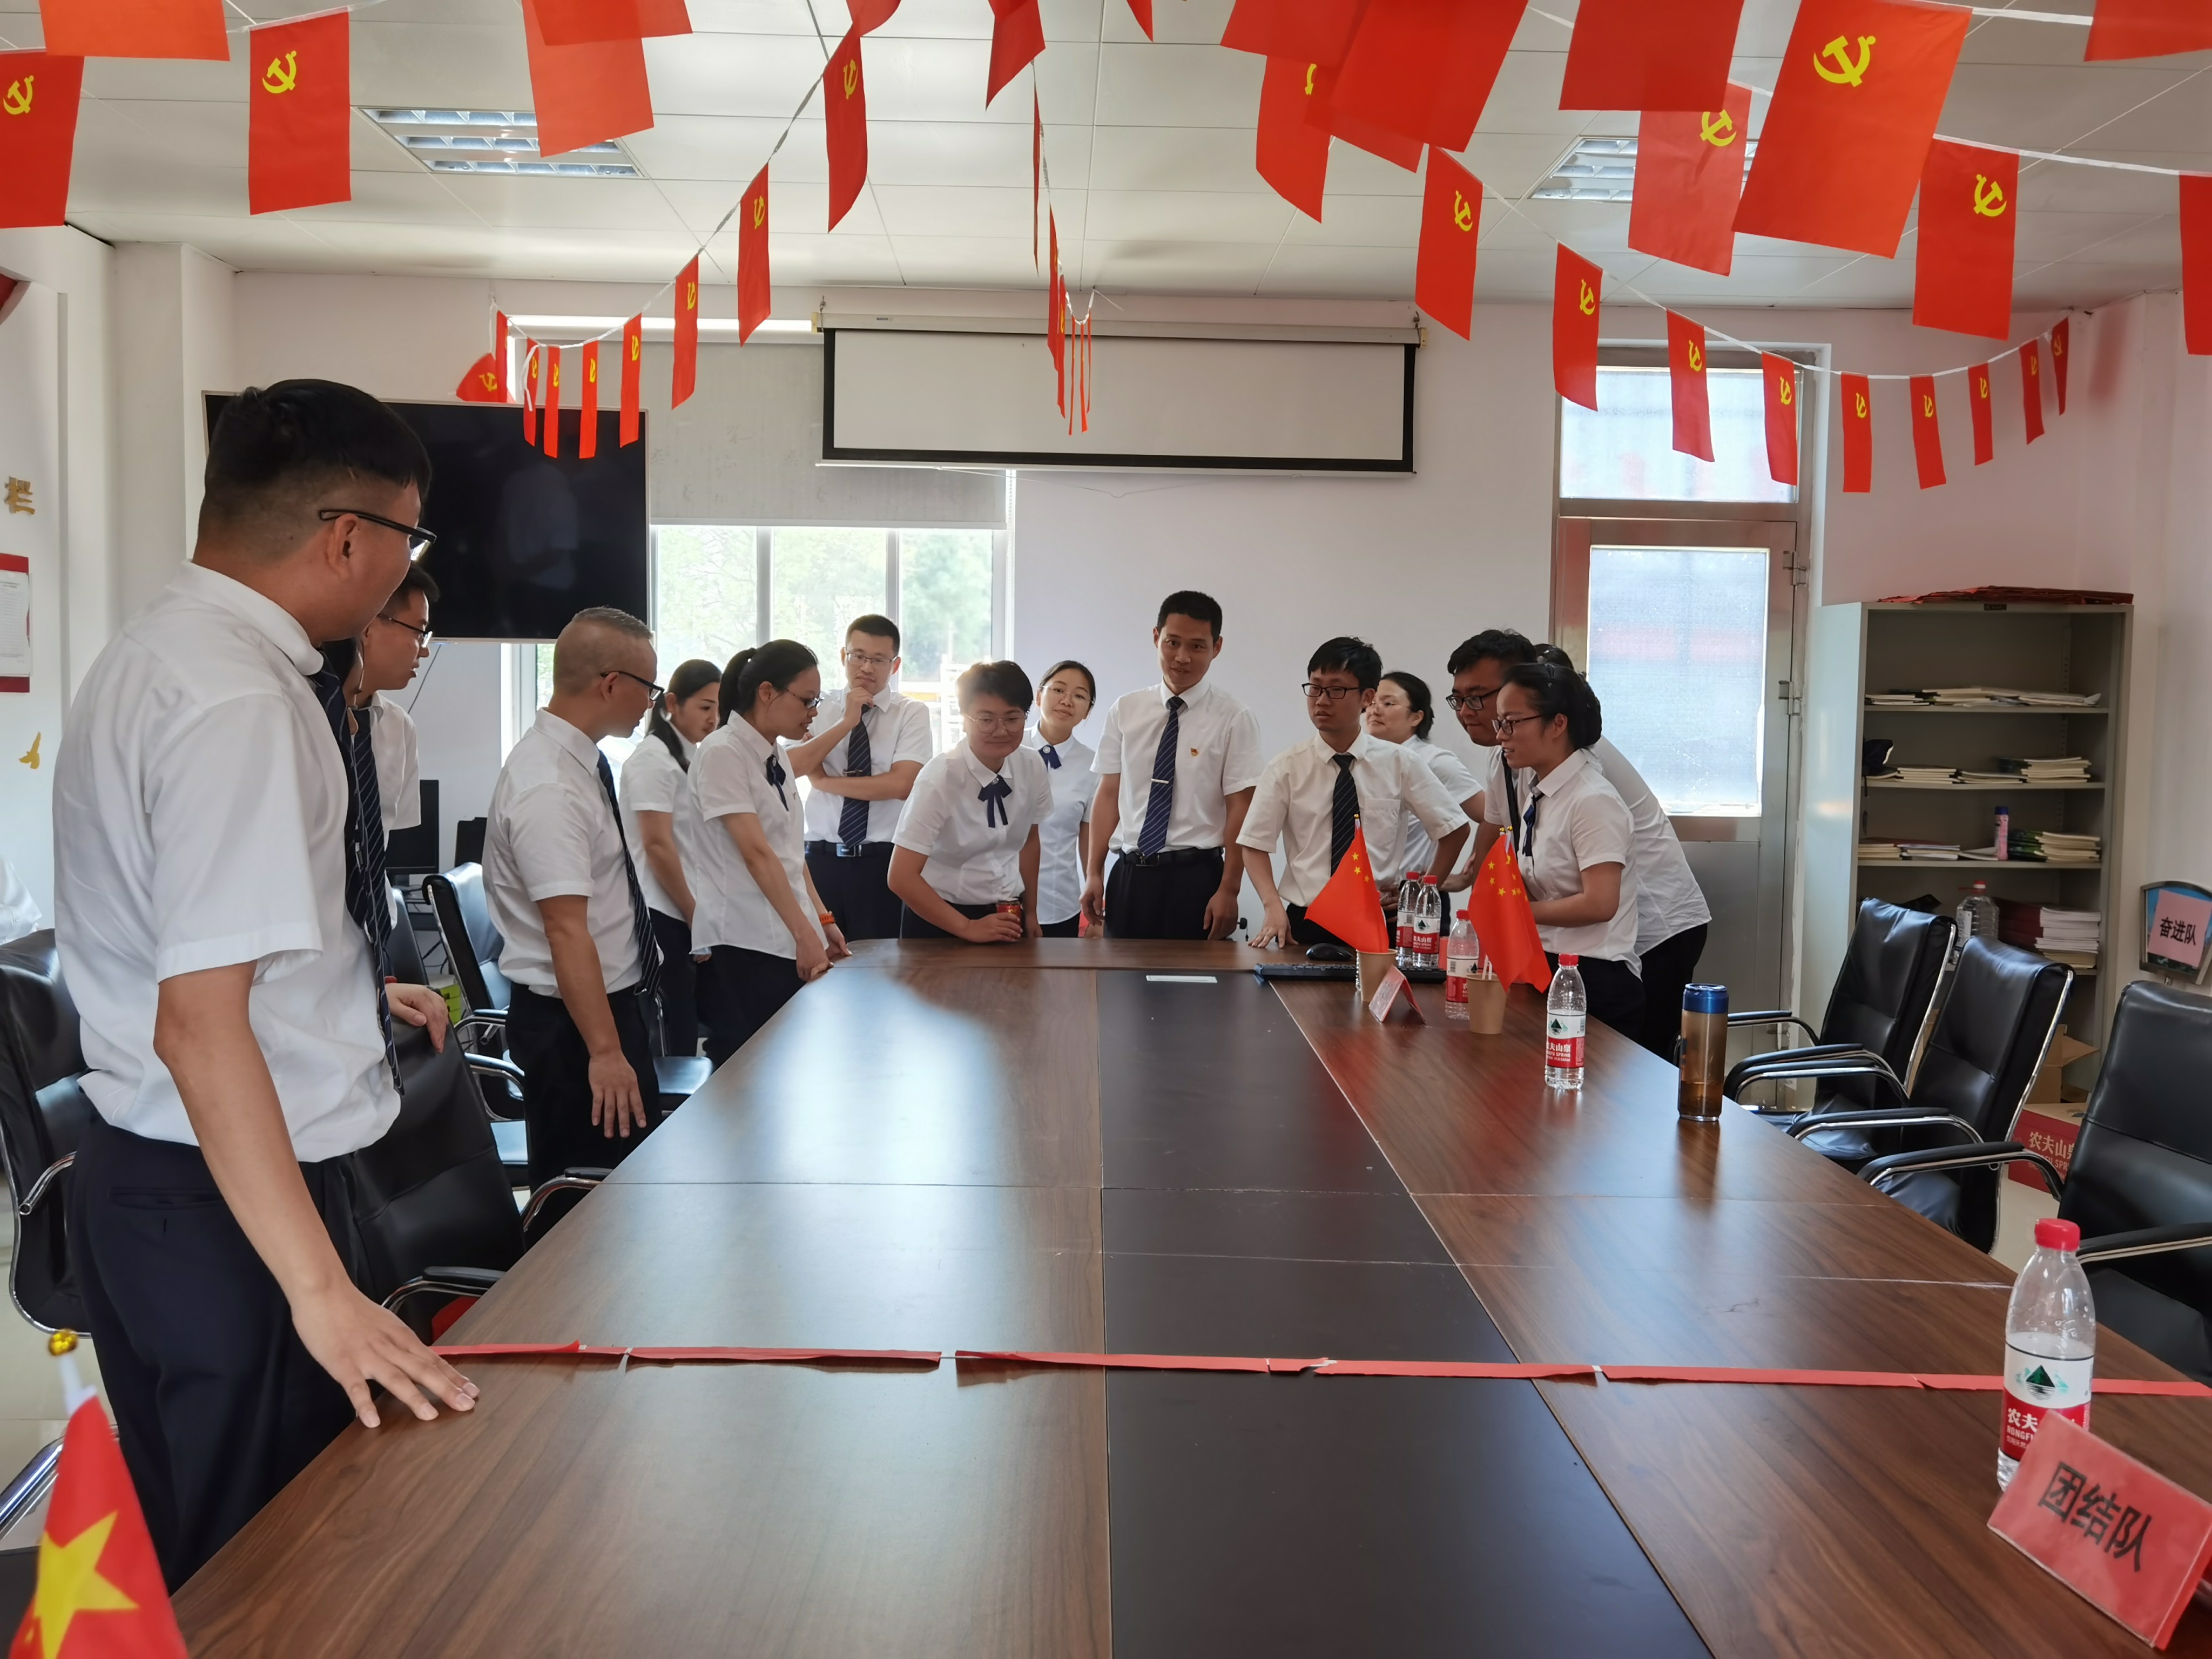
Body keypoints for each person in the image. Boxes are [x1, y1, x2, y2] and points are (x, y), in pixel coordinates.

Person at [53, 379, 476, 1587]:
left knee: (209, 1554)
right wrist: (320, 1288)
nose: (402, 570)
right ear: (347, 538)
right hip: (230, 1200)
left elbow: (195, 949)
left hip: (167, 1179)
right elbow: (199, 1028)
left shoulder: (159, 651)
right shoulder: (241, 701)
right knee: (270, 1575)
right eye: (407, 540)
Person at [1446, 629, 1711, 1058]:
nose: (1467, 712)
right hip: (1575, 937)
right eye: (1459, 699)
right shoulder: (1515, 759)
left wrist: (1513, 912)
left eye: (1479, 698)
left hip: (1652, 922)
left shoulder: (1581, 765)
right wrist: (1474, 891)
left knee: (1640, 1062)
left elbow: (1600, 897)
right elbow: (1499, 837)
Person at [484, 608, 666, 1189]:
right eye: (649, 687)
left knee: (626, 1192)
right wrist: (606, 1052)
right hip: (578, 1027)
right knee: (591, 1204)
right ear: (610, 684)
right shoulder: (550, 785)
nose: (652, 702)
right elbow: (566, 930)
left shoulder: (579, 763)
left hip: (602, 1012)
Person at [1242, 637, 1468, 950]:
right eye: (1315, 688)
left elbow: (1454, 829)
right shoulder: (1286, 768)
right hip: (1306, 921)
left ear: (1367, 697)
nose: (1322, 700)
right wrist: (1272, 905)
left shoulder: (1400, 763)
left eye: (1336, 690)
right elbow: (1254, 844)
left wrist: (1419, 894)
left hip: (1379, 919)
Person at [692, 642, 851, 1064]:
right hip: (745, 938)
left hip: (783, 932)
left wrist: (823, 920)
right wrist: (805, 935)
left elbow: (789, 853)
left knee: (788, 1065)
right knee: (748, 1069)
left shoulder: (774, 753)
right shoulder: (723, 752)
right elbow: (757, 854)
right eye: (806, 700)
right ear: (767, 693)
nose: (813, 712)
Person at [1081, 591, 1262, 940]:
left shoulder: (1234, 718)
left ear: (1217, 647)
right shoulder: (1126, 710)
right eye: (1172, 642)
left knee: (1194, 975)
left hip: (1196, 879)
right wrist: (1093, 873)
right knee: (1120, 974)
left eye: (1197, 646)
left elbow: (1241, 807)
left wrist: (1230, 888)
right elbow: (1108, 794)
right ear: (1156, 637)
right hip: (1130, 875)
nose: (1182, 657)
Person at [1489, 659, 1644, 1042]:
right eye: (1500, 723)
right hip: (1547, 965)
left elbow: (1600, 904)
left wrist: (1516, 912)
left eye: (1512, 723)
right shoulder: (1540, 793)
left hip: (1595, 978)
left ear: (1558, 724)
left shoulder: (1593, 799)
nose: (1501, 736)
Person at [791, 614, 933, 941]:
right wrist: (846, 721)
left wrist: (824, 781)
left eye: (879, 660)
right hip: (820, 859)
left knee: (883, 962)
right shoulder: (817, 706)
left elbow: (901, 785)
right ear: (844, 656)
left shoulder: (911, 713)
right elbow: (789, 767)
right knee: (822, 959)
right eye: (858, 656)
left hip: (882, 863)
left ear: (895, 666)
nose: (867, 667)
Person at [889, 661, 1054, 941]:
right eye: (986, 720)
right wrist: (968, 927)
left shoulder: (1032, 765)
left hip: (1007, 912)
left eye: (1012, 718)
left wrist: (1031, 912)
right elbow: (901, 877)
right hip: (940, 918)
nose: (1001, 731)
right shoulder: (939, 778)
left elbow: (1029, 842)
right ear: (964, 719)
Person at [618, 658, 723, 1057]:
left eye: (718, 708)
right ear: (673, 703)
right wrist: (695, 914)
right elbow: (657, 846)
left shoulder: (688, 756)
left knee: (691, 1019)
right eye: (705, 707)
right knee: (676, 1026)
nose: (713, 718)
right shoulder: (653, 760)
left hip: (683, 905)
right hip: (663, 909)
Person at [1365, 667, 1481, 884]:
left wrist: (1465, 878)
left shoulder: (1434, 761)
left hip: (1412, 893)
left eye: (1388, 703)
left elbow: (1492, 817)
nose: (1375, 710)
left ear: (1416, 717)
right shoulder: (1363, 761)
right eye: (1371, 703)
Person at [350, 561, 436, 834]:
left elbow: (392, 836)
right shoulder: (302, 714)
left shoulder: (399, 727)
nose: (424, 651)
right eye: (419, 632)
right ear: (368, 626)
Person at [1025, 659, 1097, 937]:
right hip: (998, 896)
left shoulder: (1093, 765)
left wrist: (1095, 900)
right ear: (1039, 696)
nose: (1067, 701)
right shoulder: (1008, 748)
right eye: (1058, 690)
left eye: (1079, 696)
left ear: (1087, 711)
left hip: (1058, 902)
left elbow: (1088, 838)